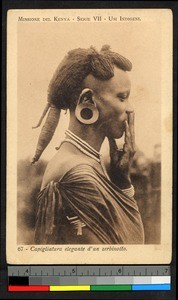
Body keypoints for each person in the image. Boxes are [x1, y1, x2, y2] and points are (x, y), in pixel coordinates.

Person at [32, 45, 144, 244]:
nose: (130, 108)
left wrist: (122, 181)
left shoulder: (80, 163)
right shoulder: (79, 175)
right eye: (122, 97)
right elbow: (130, 251)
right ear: (88, 100)